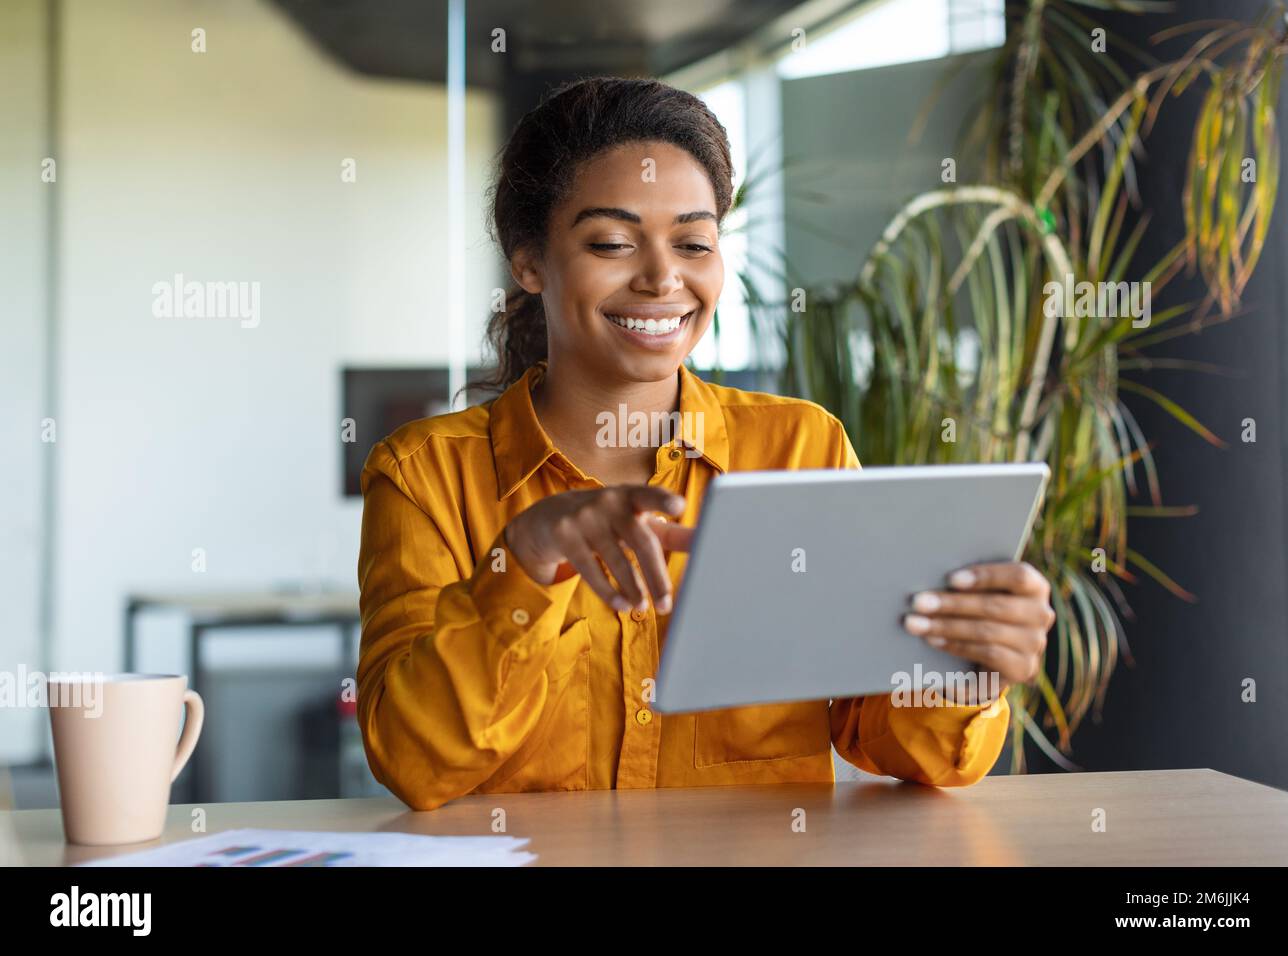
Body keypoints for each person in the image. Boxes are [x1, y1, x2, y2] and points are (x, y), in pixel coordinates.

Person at [356, 76, 1055, 811]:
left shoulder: (799, 447)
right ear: (528, 261)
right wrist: (523, 567)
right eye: (613, 242)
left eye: (693, 242)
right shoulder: (423, 474)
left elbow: (892, 742)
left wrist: (964, 664)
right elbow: (413, 762)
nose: (662, 277)